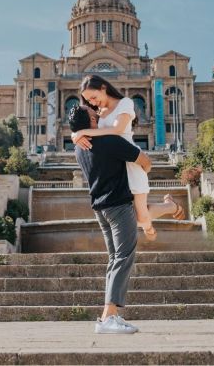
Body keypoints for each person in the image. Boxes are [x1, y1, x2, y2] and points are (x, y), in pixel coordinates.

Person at [72, 74, 185, 239]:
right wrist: (77, 134)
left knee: (141, 216)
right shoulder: (98, 112)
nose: (92, 102)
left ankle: (170, 207)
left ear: (103, 88)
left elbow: (117, 130)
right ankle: (150, 224)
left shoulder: (124, 103)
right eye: (89, 100)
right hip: (113, 169)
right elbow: (83, 122)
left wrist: (82, 132)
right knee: (132, 216)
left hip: (130, 161)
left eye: (94, 97)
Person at [69, 104, 149, 334]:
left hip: (99, 209)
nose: (101, 115)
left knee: (114, 259)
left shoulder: (79, 147)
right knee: (124, 257)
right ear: (92, 122)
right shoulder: (110, 141)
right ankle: (110, 315)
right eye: (96, 114)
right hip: (119, 206)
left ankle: (107, 317)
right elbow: (144, 161)